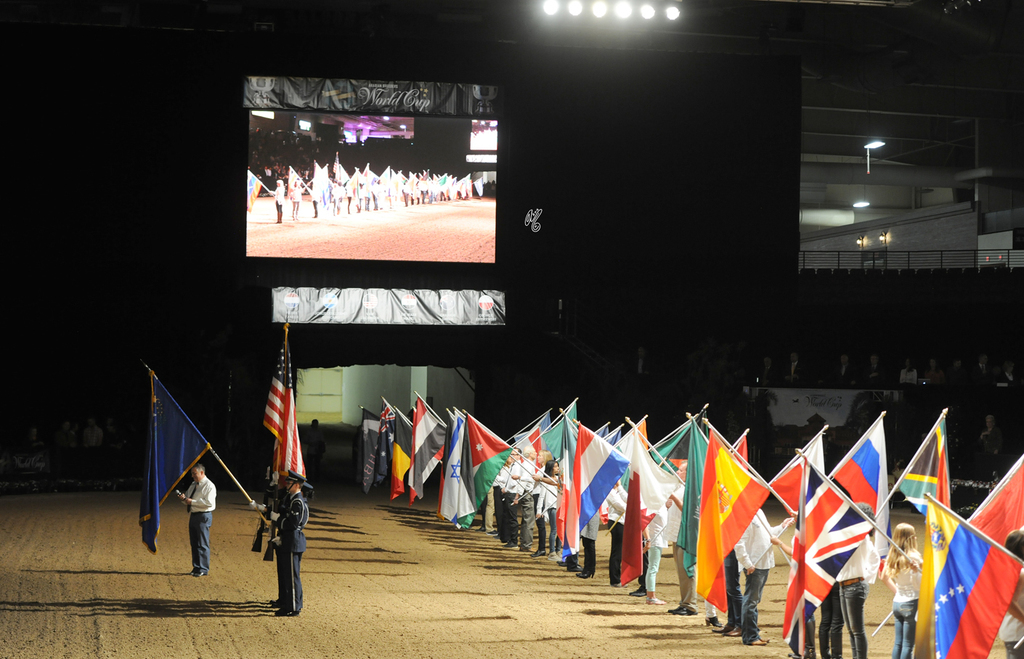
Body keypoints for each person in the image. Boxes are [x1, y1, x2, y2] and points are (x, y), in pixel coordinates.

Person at [730, 509, 795, 645]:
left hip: (762, 562)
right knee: (751, 601)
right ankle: (750, 636)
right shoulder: (745, 514)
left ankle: (752, 633)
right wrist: (747, 563)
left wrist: (781, 527)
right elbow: (738, 542)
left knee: (753, 600)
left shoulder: (758, 511)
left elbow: (767, 533)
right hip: (756, 564)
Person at [254, 470, 310, 617]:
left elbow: (291, 523)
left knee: (292, 577)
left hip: (293, 540)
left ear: (297, 485)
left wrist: (276, 518)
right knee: (285, 574)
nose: (287, 485)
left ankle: (292, 607)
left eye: (290, 483)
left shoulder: (298, 501)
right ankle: (285, 601)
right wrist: (265, 509)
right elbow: (281, 511)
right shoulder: (291, 499)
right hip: (287, 539)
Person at [837, 503, 879, 659]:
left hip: (854, 586)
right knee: (851, 630)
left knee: (857, 630)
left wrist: (864, 577)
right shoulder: (853, 536)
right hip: (844, 586)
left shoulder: (860, 537)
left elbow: (875, 558)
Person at [880, 523, 921, 659]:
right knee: (908, 644)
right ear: (911, 538)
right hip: (911, 602)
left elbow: (884, 577)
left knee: (898, 643)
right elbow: (918, 585)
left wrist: (898, 591)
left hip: (897, 602)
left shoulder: (892, 555)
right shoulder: (913, 557)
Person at [178, 463, 217, 577]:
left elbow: (209, 503)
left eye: (194, 474)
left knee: (202, 543)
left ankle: (203, 568)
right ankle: (196, 567)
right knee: (194, 542)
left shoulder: (209, 486)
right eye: (192, 474)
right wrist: (184, 498)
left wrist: (192, 502)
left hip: (203, 515)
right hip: (194, 514)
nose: (192, 476)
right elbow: (189, 497)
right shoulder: (194, 484)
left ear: (201, 473)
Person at [999, 529, 1024, 658]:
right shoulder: (1020, 572)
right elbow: (1009, 603)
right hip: (1018, 634)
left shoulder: (1009, 568)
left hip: (1014, 632)